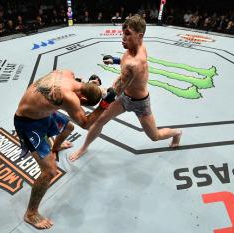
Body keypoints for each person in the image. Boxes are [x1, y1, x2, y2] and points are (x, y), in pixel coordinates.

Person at [69, 14, 182, 162]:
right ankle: (84, 147)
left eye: (128, 34)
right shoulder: (138, 46)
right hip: (124, 99)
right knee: (99, 122)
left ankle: (177, 133)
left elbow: (114, 91)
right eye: (123, 33)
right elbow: (125, 68)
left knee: (155, 136)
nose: (123, 37)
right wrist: (116, 60)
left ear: (139, 35)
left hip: (140, 102)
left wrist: (94, 88)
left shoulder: (134, 64)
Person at [14, 69, 115, 229]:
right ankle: (31, 213)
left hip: (43, 114)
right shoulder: (70, 98)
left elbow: (78, 83)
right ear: (81, 98)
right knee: (49, 171)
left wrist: (93, 86)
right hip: (27, 123)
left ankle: (56, 146)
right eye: (82, 103)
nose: (79, 103)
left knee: (68, 127)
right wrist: (103, 105)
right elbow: (86, 124)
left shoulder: (67, 74)